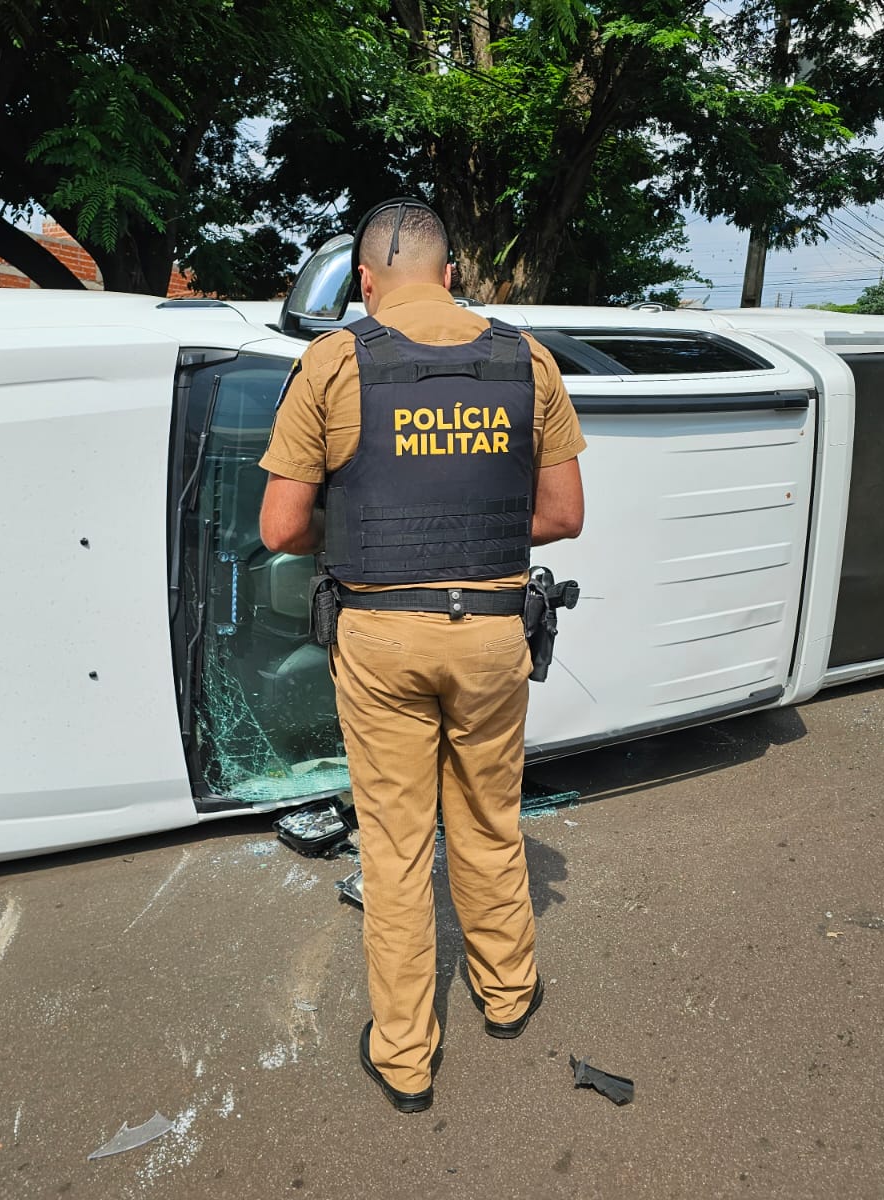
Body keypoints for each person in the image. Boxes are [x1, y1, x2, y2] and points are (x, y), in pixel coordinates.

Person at [258, 199, 586, 1113]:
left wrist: (375, 525)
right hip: (490, 635)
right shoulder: (527, 359)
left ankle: (404, 1057)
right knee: (488, 819)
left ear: (366, 280)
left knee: (398, 847)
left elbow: (281, 526)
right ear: (451, 275)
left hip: (381, 635)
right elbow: (562, 515)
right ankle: (509, 994)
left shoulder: (332, 360)